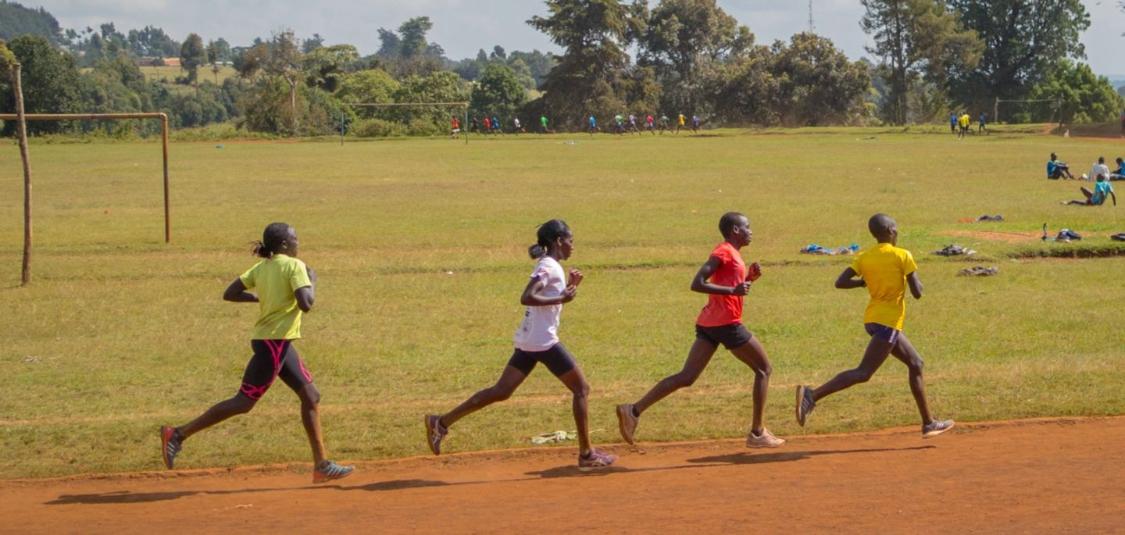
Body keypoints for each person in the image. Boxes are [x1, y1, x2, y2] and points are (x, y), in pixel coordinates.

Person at [159, 223, 354, 483]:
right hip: (273, 344)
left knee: (311, 394)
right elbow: (306, 304)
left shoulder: (262, 267)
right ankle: (178, 434)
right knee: (244, 402)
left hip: (277, 342)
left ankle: (321, 465)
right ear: (285, 245)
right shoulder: (295, 266)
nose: (298, 243)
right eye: (295, 238)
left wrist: (262, 299)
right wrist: (313, 281)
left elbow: (230, 293)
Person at [424, 220, 617, 471]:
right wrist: (562, 297)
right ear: (558, 241)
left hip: (530, 339)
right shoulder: (548, 266)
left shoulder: (551, 266)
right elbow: (526, 296)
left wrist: (569, 289)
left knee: (501, 391)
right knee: (581, 389)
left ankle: (440, 422)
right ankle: (587, 455)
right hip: (543, 341)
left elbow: (547, 299)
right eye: (570, 241)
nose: (572, 246)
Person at [615, 213, 784, 449]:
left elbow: (730, 287)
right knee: (764, 369)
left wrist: (748, 280)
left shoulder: (733, 254)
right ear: (736, 230)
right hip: (726, 323)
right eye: (747, 227)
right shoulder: (723, 251)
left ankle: (633, 410)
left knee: (687, 377)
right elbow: (697, 283)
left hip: (710, 323)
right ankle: (757, 433)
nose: (751, 231)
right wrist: (732, 291)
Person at [795, 214, 954, 439]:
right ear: (890, 230)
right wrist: (915, 279)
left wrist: (862, 282)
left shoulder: (865, 257)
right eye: (896, 229)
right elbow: (918, 293)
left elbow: (840, 283)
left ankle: (928, 423)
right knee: (863, 373)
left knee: (916, 363)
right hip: (887, 323)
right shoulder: (903, 255)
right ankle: (812, 395)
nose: (897, 232)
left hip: (873, 319)